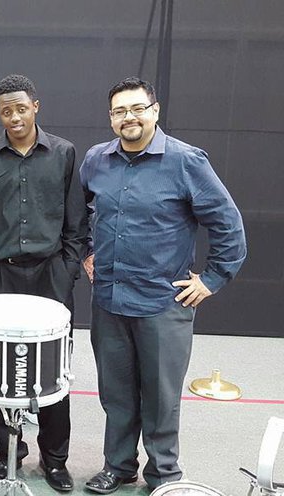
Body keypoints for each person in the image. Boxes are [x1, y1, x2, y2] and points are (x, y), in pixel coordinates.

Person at [80, 77, 246, 493]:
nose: (128, 117)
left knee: (160, 399)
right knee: (116, 395)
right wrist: (86, 249)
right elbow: (78, 211)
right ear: (111, 118)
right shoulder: (96, 160)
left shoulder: (186, 162)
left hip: (162, 304)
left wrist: (212, 278)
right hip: (110, 301)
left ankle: (164, 475)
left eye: (137, 108)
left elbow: (228, 224)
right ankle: (118, 467)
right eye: (119, 111)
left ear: (155, 111)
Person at [0, 74, 88, 492]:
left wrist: (67, 268)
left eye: (21, 108)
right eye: (6, 111)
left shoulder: (65, 154)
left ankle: (55, 461)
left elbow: (77, 222)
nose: (14, 117)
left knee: (53, 372)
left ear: (36, 106)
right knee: (1, 371)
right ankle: (8, 455)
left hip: (50, 274)